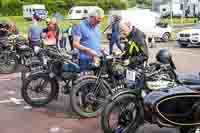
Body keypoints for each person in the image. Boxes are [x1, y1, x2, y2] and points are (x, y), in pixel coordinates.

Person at [72, 7, 104, 71]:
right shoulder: (80, 26)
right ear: (91, 17)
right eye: (97, 21)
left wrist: (101, 48)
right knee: (86, 80)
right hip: (85, 60)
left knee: (97, 80)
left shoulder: (97, 26)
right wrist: (88, 50)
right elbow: (75, 44)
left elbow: (95, 41)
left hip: (96, 58)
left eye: (100, 21)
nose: (98, 23)